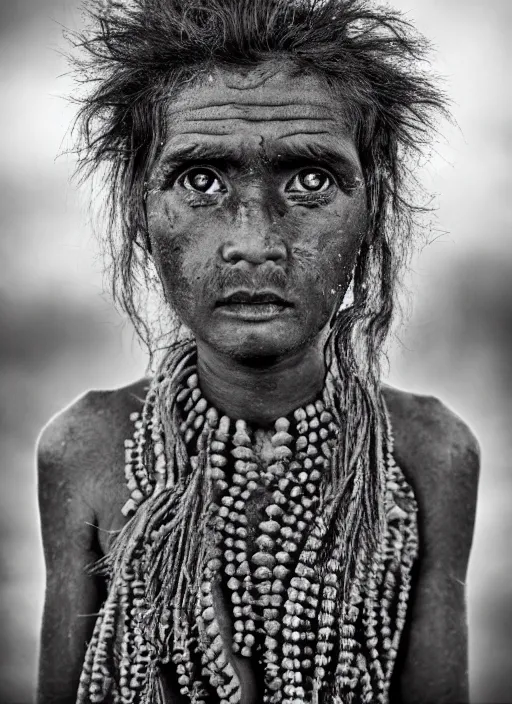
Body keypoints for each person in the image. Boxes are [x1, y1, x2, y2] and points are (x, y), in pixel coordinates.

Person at [36, 0, 480, 702]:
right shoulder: (86, 448)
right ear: (138, 210)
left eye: (310, 181)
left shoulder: (429, 453)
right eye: (200, 180)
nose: (254, 242)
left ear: (374, 208)